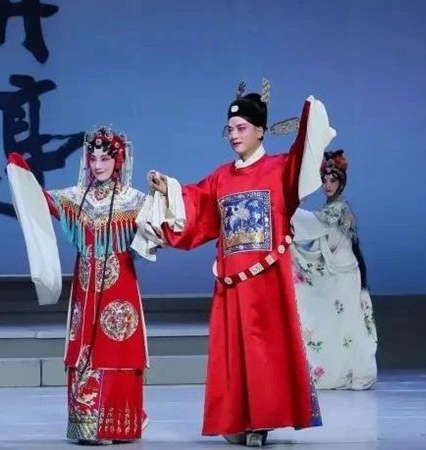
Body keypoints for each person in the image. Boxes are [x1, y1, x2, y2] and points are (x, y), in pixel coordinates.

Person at [133, 79, 335, 447]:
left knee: (264, 351)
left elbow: (304, 158)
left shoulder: (280, 169)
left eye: (241, 128)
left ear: (260, 130)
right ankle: (238, 418)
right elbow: (196, 204)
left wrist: (309, 117)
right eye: (229, 130)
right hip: (231, 282)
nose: (234, 135)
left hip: (267, 282)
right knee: (232, 351)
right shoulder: (221, 178)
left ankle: (261, 421)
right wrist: (168, 188)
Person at [6, 126, 148, 444]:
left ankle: (118, 423)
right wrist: (21, 173)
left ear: (118, 161)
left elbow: (161, 230)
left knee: (118, 345)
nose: (98, 165)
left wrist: (163, 196)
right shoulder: (76, 197)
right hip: (86, 286)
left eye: (104, 159)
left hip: (120, 288)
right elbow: (40, 201)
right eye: (92, 158)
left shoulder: (136, 200)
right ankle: (88, 424)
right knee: (84, 346)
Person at [290, 149, 377, 389]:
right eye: (325, 180)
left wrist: (289, 210)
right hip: (338, 271)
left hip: (345, 273)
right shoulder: (331, 208)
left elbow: (312, 224)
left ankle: (351, 372)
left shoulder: (338, 209)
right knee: (336, 323)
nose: (328, 185)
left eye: (333, 180)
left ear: (341, 183)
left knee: (346, 325)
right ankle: (337, 371)